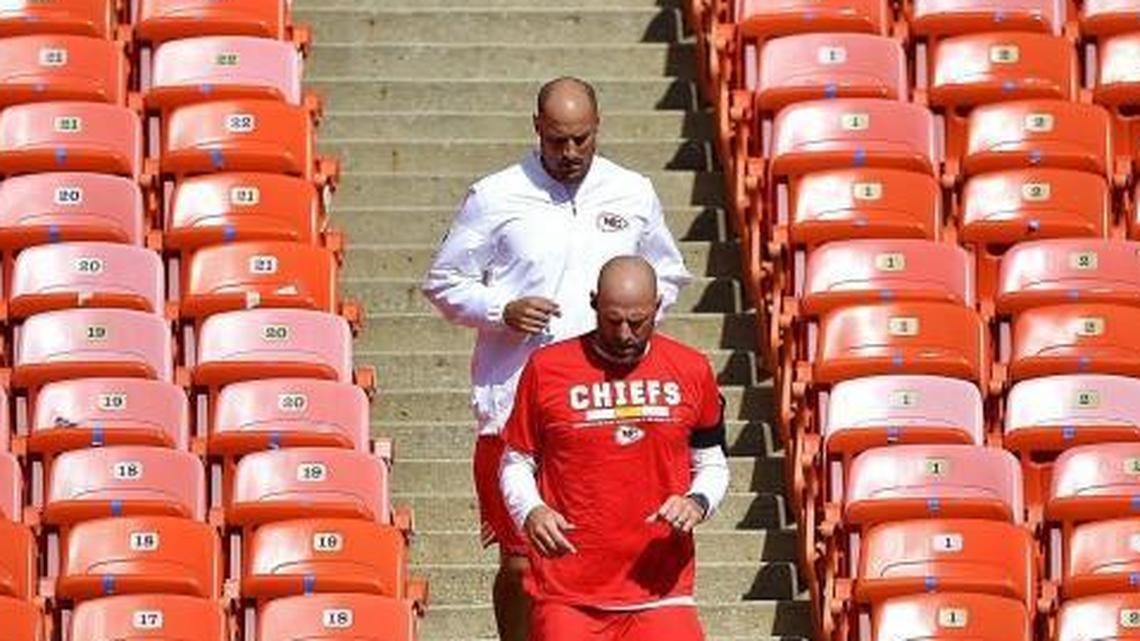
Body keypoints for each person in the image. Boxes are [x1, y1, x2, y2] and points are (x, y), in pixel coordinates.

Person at [421, 77, 692, 641]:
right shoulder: (494, 194)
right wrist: (501, 307)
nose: (569, 154)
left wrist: (631, 323)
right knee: (522, 561)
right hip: (515, 400)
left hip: (606, 401)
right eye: (557, 141)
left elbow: (668, 271)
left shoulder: (631, 191)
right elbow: (444, 280)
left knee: (600, 556)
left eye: (581, 140)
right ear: (537, 128)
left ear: (598, 129)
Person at [499, 256, 729, 641]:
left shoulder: (691, 369)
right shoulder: (547, 368)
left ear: (657, 306)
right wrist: (531, 510)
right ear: (593, 303)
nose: (624, 333)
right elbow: (516, 460)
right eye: (613, 320)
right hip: (568, 589)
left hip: (661, 587)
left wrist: (697, 502)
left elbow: (712, 461)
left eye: (637, 322)